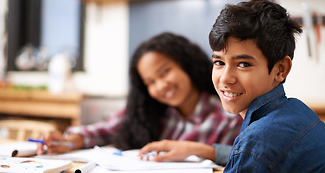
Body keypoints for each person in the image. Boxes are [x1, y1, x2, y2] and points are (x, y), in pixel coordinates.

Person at [201, 0, 325, 173]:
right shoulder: (297, 111)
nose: (225, 78)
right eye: (219, 62)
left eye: (243, 64)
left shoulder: (261, 139)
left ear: (280, 69)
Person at [37, 32, 242, 166]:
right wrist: (69, 141)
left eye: (165, 72)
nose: (161, 86)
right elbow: (104, 129)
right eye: (150, 82)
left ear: (187, 65)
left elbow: (239, 162)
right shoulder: (150, 110)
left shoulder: (228, 114)